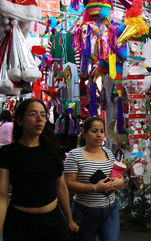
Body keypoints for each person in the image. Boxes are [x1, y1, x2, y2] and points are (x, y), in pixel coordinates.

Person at [0, 98, 79, 241]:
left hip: (53, 222)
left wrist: (69, 219)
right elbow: (2, 197)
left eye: (43, 115)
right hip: (19, 224)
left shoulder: (52, 150)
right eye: (33, 114)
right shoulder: (7, 153)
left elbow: (61, 187)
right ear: (19, 120)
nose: (39, 119)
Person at [64, 117, 124, 241]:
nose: (99, 135)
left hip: (110, 210)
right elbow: (68, 184)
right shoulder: (74, 155)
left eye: (102, 131)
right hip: (85, 211)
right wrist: (95, 188)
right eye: (94, 131)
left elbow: (117, 176)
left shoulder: (108, 153)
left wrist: (119, 181)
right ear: (84, 133)